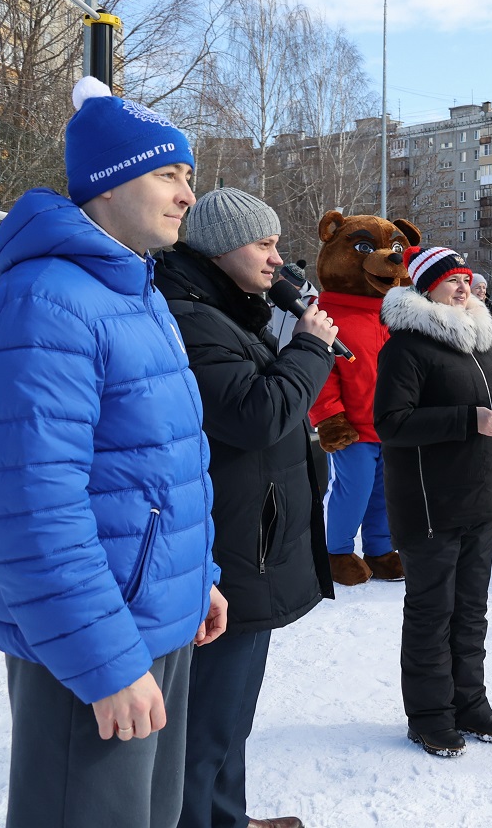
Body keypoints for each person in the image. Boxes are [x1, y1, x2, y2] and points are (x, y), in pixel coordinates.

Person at [0, 76, 226, 828]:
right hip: (88, 645)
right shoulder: (43, 302)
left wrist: (195, 576)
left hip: (153, 620)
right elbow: (28, 510)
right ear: (108, 184)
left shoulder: (138, 294)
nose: (185, 194)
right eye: (166, 173)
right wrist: (103, 662)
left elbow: (161, 465)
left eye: (189, 176)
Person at [158, 189, 338, 828]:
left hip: (252, 539)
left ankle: (227, 817)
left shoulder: (231, 310)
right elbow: (257, 416)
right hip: (231, 544)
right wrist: (311, 348)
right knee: (208, 715)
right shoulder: (192, 316)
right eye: (264, 244)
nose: (277, 257)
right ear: (220, 246)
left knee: (233, 712)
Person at [375, 246, 492, 757]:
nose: (462, 287)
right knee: (432, 613)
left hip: (480, 500)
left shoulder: (481, 344)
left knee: (471, 611)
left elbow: (491, 410)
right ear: (425, 288)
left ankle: (469, 703)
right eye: (449, 280)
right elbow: (390, 424)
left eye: (465, 279)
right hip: (430, 507)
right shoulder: (406, 347)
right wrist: (466, 420)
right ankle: (430, 715)